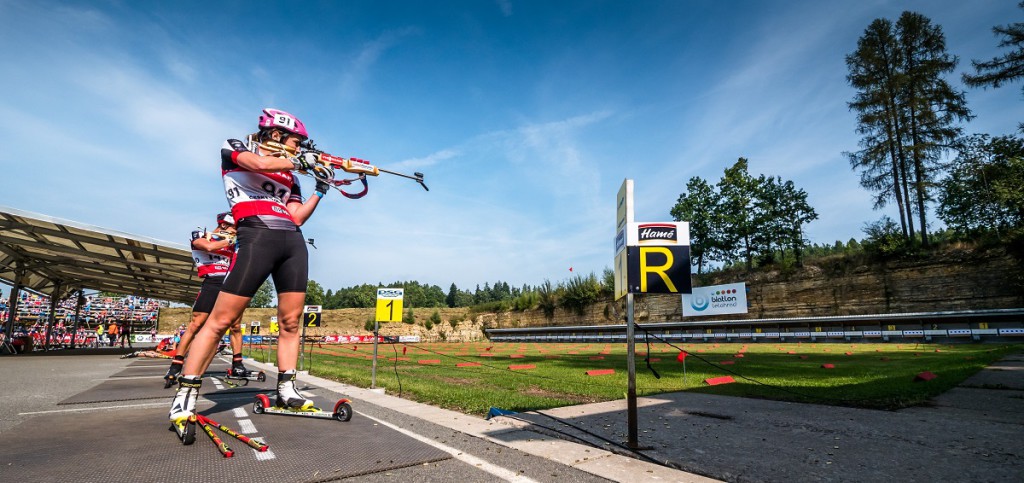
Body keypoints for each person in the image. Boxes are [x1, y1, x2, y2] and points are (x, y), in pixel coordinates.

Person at [169, 108, 332, 430]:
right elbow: (257, 165)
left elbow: (297, 216)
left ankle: (286, 388)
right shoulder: (235, 147)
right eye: (296, 142)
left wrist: (320, 190)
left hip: (291, 240)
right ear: (275, 135)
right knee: (221, 320)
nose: (300, 148)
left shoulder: (291, 175)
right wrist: (300, 161)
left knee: (290, 321)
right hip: (256, 235)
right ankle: (186, 393)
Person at [164, 212, 251, 384]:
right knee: (196, 324)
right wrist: (231, 240)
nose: (236, 231)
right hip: (212, 282)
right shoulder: (202, 235)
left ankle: (238, 363)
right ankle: (176, 364)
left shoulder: (234, 243)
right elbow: (209, 247)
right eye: (234, 228)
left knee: (235, 325)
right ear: (224, 225)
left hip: (230, 283)